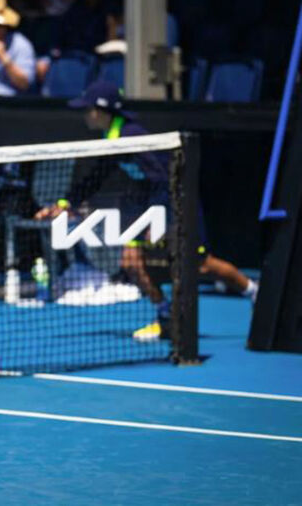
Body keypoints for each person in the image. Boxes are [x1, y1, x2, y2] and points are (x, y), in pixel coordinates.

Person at [35, 81, 258, 340]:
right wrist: (64, 204)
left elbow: (166, 179)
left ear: (100, 111)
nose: (85, 115)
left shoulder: (133, 138)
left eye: (87, 109)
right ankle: (165, 317)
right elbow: (96, 177)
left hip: (178, 204)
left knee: (200, 265)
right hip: (153, 209)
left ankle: (253, 290)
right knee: (131, 262)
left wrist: (157, 217)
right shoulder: (114, 138)